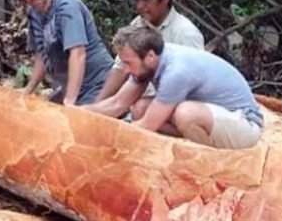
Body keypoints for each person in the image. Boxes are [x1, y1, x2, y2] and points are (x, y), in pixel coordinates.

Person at [83, 24, 264, 149]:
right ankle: (184, 149)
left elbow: (147, 125)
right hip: (214, 117)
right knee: (140, 108)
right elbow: (117, 104)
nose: (126, 70)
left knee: (185, 113)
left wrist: (107, 138)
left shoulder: (176, 71)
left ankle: (207, 160)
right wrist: (76, 113)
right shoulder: (148, 63)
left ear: (150, 57)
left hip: (244, 125)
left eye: (129, 63)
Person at [95, 0, 204, 118]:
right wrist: (98, 105)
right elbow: (120, 68)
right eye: (138, 0)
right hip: (138, 102)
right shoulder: (137, 24)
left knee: (140, 109)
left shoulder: (185, 33)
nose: (140, 6)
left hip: (178, 107)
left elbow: (192, 85)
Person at [14, 0, 113, 105]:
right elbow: (41, 53)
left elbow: (78, 53)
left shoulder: (66, 6)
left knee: (80, 123)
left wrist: (70, 101)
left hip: (96, 83)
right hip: (66, 86)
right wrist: (28, 89)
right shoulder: (34, 12)